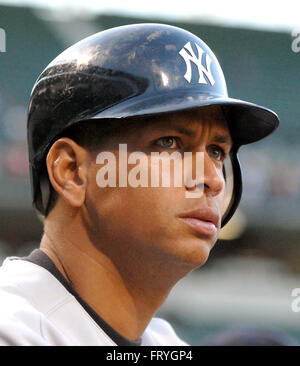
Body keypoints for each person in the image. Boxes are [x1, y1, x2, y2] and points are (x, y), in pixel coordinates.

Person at [0, 23, 279, 346]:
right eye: (170, 142)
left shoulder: (167, 343)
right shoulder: (13, 328)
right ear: (72, 171)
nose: (213, 179)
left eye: (217, 152)